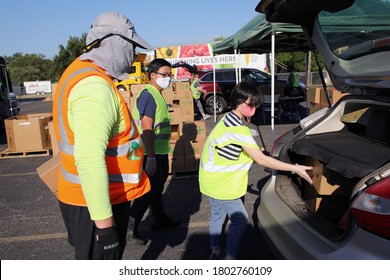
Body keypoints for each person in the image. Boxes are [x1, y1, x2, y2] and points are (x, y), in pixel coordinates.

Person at [52, 12, 152, 260]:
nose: (133, 54)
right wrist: (105, 228)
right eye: (131, 47)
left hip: (86, 200)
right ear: (116, 43)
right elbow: (89, 158)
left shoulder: (80, 72)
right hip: (97, 205)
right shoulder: (94, 87)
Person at [198, 81, 313, 260]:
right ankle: (230, 257)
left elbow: (232, 147)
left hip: (209, 180)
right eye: (249, 104)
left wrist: (252, 150)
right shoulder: (240, 130)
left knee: (218, 215)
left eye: (255, 104)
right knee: (240, 220)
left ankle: (215, 250)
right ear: (237, 101)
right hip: (223, 185)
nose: (253, 108)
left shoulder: (225, 120)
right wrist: (294, 168)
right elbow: (260, 159)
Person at [128, 58, 181, 245]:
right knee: (148, 191)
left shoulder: (157, 94)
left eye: (170, 75)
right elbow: (147, 128)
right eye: (165, 75)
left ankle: (159, 220)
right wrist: (150, 157)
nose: (169, 78)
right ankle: (130, 227)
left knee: (157, 189)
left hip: (158, 151)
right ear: (153, 75)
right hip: (148, 153)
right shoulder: (149, 95)